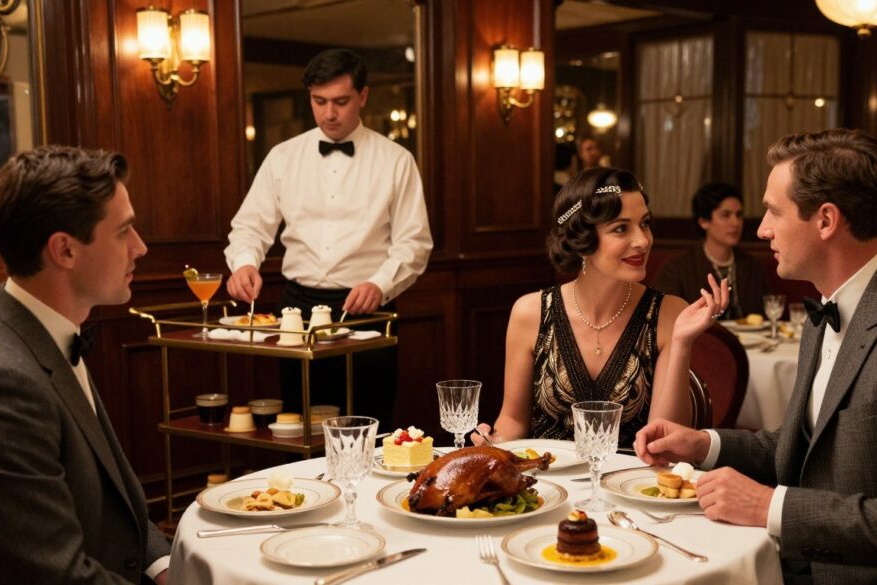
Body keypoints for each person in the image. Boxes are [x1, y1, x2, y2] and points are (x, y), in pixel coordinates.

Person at [635, 129, 877, 584]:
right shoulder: (826, 311)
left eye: (773, 212)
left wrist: (768, 506)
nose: (762, 229)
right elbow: (805, 448)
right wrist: (706, 444)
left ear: (825, 221)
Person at [0, 146, 170, 583]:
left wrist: (166, 566)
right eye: (124, 231)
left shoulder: (49, 331)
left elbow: (115, 507)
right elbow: (53, 575)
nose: (141, 247)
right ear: (65, 251)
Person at [224, 49, 432, 428]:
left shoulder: (395, 160)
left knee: (368, 425)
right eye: (319, 102)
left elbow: (414, 242)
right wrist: (244, 263)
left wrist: (380, 284)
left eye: (340, 101)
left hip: (367, 310)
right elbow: (251, 225)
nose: (329, 113)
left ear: (363, 96)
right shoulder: (283, 157)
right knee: (300, 425)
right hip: (297, 311)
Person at [473, 167, 729, 449]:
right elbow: (513, 421)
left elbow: (666, 442)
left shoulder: (668, 313)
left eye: (644, 223)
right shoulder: (530, 312)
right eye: (621, 228)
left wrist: (682, 342)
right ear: (582, 240)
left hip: (629, 486)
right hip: (547, 486)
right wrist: (495, 442)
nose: (642, 241)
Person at [654, 181, 768, 320]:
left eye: (738, 215)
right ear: (704, 222)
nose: (736, 222)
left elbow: (765, 315)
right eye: (726, 215)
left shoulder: (751, 265)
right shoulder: (677, 268)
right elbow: (664, 318)